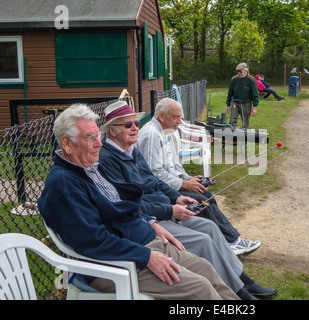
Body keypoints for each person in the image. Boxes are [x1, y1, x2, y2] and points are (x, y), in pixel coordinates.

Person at [37, 103, 239, 300]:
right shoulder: (63, 184)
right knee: (200, 288)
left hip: (144, 241)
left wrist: (150, 222)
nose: (99, 143)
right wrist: (146, 256)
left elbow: (123, 203)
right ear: (66, 143)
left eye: (97, 135)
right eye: (90, 137)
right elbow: (92, 240)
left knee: (205, 268)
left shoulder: (92, 167)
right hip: (116, 265)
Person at [99, 101, 275, 299]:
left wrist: (177, 196)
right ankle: (239, 291)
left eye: (136, 124)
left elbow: (154, 180)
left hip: (164, 207)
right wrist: (170, 209)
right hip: (151, 220)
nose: (135, 128)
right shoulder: (107, 160)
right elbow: (131, 206)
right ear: (112, 131)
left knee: (210, 228)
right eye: (128, 125)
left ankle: (241, 279)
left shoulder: (130, 149)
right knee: (203, 240)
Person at [137, 98, 261, 256]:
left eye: (180, 117)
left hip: (169, 186)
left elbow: (173, 164)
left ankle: (231, 239)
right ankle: (230, 241)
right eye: (176, 117)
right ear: (162, 117)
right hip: (160, 193)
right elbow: (154, 173)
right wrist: (182, 184)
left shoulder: (165, 131)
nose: (180, 122)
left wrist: (188, 179)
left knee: (205, 193)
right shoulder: (151, 134)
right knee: (202, 199)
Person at [226, 62, 259, 129]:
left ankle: (244, 136)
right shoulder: (234, 79)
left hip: (246, 103)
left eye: (240, 71)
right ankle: (231, 136)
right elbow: (230, 93)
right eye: (237, 71)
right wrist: (228, 105)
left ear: (246, 70)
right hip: (235, 102)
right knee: (232, 121)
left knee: (245, 122)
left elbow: (255, 94)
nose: (239, 73)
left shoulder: (251, 79)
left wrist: (254, 107)